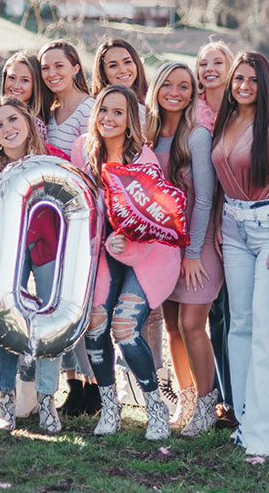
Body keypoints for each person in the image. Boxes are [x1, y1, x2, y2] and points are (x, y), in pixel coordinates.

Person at [72, 85, 175, 440]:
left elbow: (154, 218)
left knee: (125, 326)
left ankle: (155, 408)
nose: (108, 119)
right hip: (104, 250)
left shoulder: (143, 159)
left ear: (131, 120)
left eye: (118, 112)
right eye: (104, 110)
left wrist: (128, 238)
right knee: (96, 323)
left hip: (149, 254)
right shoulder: (82, 151)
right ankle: (109, 407)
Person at [210, 52, 269, 462]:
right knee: (238, 324)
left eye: (253, 80)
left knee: (265, 328)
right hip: (232, 226)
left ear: (265, 85)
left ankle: (264, 432)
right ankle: (245, 422)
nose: (243, 86)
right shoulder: (224, 122)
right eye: (238, 78)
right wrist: (217, 230)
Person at [0, 96, 66, 434]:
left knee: (51, 321)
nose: (7, 129)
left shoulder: (53, 160)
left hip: (48, 247)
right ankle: (6, 398)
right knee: (5, 319)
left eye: (13, 119)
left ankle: (46, 400)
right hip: (8, 252)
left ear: (28, 122)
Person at [144, 61, 221, 436]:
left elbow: (204, 199)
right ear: (156, 88)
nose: (174, 92)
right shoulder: (149, 133)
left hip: (197, 243)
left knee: (193, 325)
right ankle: (186, 401)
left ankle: (207, 406)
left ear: (193, 93)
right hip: (164, 246)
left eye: (184, 86)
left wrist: (192, 253)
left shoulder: (197, 135)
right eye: (167, 85)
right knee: (173, 325)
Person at [38, 40, 98, 413]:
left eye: (58, 66)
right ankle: (75, 384)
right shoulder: (49, 110)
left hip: (81, 216)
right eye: (45, 68)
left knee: (83, 301)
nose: (52, 73)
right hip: (50, 218)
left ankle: (95, 385)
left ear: (75, 67)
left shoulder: (89, 109)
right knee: (59, 301)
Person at [194, 38, 235, 424]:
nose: (209, 68)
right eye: (203, 62)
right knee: (215, 313)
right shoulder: (196, 113)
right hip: (204, 220)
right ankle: (219, 396)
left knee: (234, 310)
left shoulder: (243, 109)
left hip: (238, 215)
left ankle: (238, 397)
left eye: (217, 61)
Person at [1, 52, 51, 138]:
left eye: (25, 80)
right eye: (11, 78)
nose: (16, 86)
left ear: (36, 85)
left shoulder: (34, 124)